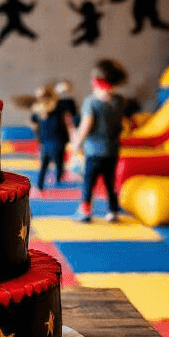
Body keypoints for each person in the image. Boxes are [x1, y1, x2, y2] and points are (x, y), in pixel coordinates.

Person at [70, 59, 128, 223]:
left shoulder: (91, 102)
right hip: (113, 150)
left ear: (96, 82)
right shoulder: (119, 101)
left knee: (89, 181)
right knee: (110, 181)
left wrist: (76, 145)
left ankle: (85, 210)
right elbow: (122, 123)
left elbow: (86, 125)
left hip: (94, 151)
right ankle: (113, 211)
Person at [30, 86, 66, 191]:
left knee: (55, 163)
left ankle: (53, 180)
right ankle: (43, 184)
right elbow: (34, 124)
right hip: (49, 140)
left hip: (55, 140)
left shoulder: (57, 107)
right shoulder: (40, 109)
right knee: (48, 164)